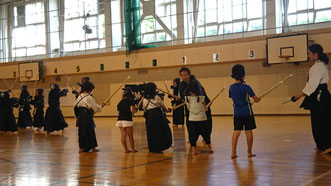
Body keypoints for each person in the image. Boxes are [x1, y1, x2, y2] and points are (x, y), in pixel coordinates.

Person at [291, 44, 331, 154]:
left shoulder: (318, 67)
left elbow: (312, 85)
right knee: (317, 121)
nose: (308, 56)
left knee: (322, 121)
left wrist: (298, 96)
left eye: (309, 53)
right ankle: (321, 144)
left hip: (320, 96)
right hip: (318, 95)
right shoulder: (318, 65)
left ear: (315, 54)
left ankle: (328, 145)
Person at [229, 64, 261, 159]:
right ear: (243, 74)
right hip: (247, 112)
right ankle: (249, 152)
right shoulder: (247, 87)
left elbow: (233, 98)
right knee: (248, 131)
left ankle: (233, 153)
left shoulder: (231, 87)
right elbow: (255, 99)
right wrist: (258, 99)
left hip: (237, 113)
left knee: (236, 131)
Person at [179, 67, 213, 142]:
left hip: (201, 102)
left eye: (185, 75)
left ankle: (206, 137)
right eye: (182, 75)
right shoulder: (182, 84)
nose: (183, 77)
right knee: (189, 121)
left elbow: (201, 94)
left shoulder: (195, 82)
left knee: (205, 121)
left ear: (189, 74)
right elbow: (182, 96)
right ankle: (192, 138)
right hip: (190, 105)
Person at [74, 81, 104, 153]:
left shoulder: (79, 97)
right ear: (90, 89)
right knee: (90, 131)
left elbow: (74, 106)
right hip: (87, 116)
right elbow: (95, 108)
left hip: (81, 116)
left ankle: (81, 148)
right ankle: (93, 148)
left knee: (81, 132)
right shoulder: (89, 97)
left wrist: (77, 117)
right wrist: (101, 107)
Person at [142, 82, 172, 153]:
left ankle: (153, 148)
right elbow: (163, 106)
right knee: (161, 132)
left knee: (152, 133)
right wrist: (168, 110)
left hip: (149, 118)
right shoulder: (157, 97)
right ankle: (160, 147)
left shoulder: (144, 99)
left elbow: (145, 109)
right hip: (158, 116)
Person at [185, 81, 213, 155]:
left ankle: (194, 151)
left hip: (192, 119)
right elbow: (205, 108)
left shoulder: (187, 98)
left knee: (193, 136)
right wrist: (206, 108)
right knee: (206, 134)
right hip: (202, 119)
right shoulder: (201, 97)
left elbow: (188, 108)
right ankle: (209, 149)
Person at [116, 88, 138, 153]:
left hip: (119, 120)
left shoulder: (120, 102)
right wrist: (135, 111)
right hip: (127, 120)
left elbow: (118, 112)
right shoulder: (130, 101)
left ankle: (126, 149)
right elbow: (132, 110)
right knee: (130, 135)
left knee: (123, 135)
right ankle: (132, 149)